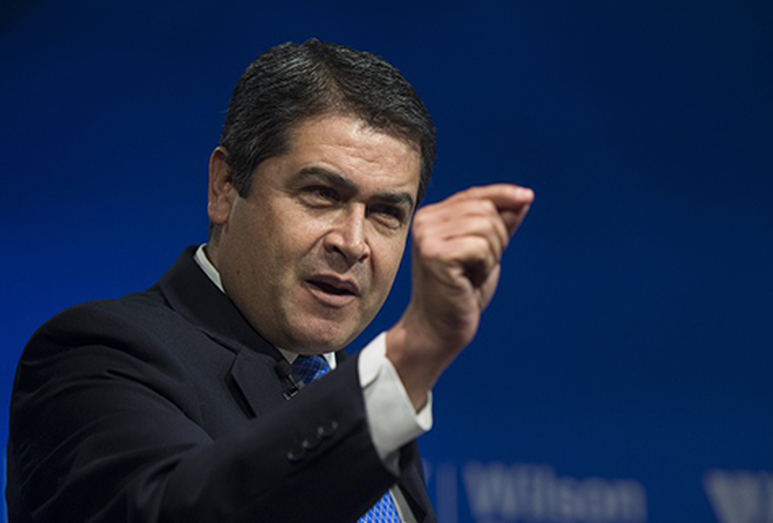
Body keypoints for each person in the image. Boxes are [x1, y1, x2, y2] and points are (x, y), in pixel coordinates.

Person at [7, 39, 534, 522]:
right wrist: (413, 353)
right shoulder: (96, 355)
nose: (353, 242)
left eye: (385, 213)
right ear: (225, 186)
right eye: (321, 194)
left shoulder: (362, 396)